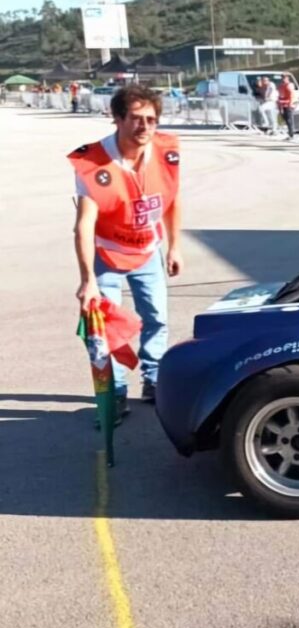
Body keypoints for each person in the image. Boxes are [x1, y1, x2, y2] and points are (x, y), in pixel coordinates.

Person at [69, 86, 182, 420]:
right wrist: (88, 279)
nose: (145, 126)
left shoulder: (165, 151)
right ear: (117, 119)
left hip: (147, 250)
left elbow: (172, 199)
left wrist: (174, 245)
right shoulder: (92, 163)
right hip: (107, 255)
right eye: (135, 118)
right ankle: (115, 394)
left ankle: (154, 379)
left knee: (157, 318)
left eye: (151, 119)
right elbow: (84, 226)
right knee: (105, 329)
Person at [277, 75, 297, 140]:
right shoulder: (281, 86)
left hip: (288, 105)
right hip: (282, 105)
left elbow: (292, 95)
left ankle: (291, 135)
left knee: (289, 120)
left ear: (288, 78)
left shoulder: (289, 85)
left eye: (285, 78)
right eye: (282, 77)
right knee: (285, 119)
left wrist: (290, 104)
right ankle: (290, 134)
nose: (283, 79)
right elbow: (280, 95)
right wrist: (279, 103)